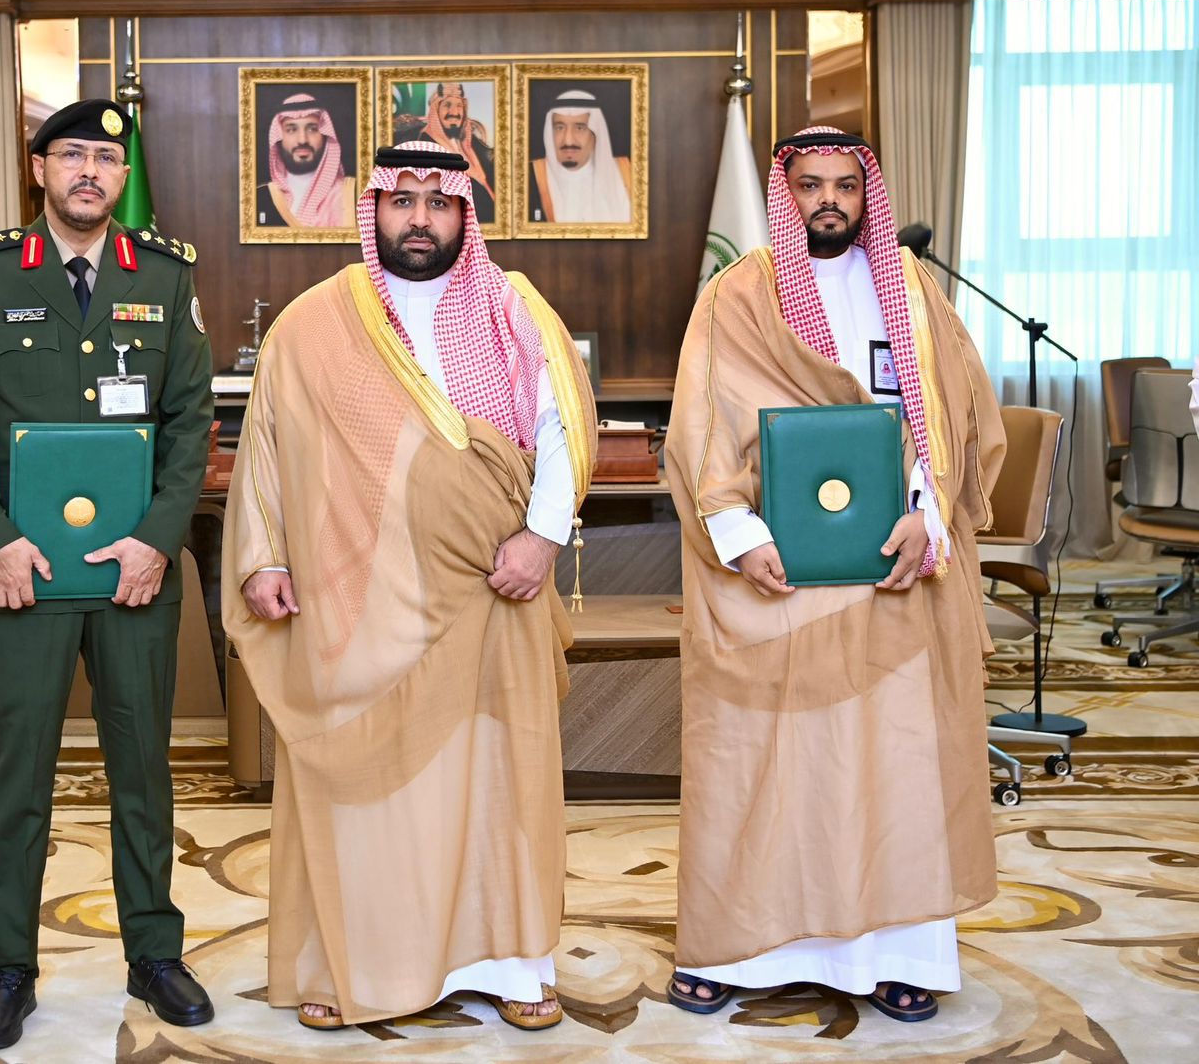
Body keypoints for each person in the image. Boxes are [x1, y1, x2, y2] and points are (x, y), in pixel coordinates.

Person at [222, 140, 598, 1031]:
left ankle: (512, 965)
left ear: (464, 212)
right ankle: (349, 962)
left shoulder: (512, 307)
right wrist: (264, 557)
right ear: (375, 209)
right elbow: (266, 445)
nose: (420, 218)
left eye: (439, 201)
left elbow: (562, 429)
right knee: (365, 782)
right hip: (361, 602)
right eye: (403, 200)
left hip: (497, 589)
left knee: (500, 778)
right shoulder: (313, 323)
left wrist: (543, 539)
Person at [662, 125, 1005, 1025]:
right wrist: (738, 532)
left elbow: (955, 417)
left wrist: (927, 512)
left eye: (845, 185)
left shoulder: (916, 295)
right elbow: (702, 420)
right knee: (765, 763)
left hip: (894, 560)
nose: (828, 201)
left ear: (866, 193)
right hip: (777, 566)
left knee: (897, 765)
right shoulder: (739, 295)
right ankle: (743, 948)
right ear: (787, 193)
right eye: (810, 185)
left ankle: (898, 954)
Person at [0, 98, 216, 1050]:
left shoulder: (164, 275)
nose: (91, 171)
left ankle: (154, 954)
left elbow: (189, 423)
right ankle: (11, 963)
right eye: (72, 155)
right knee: (19, 772)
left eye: (106, 158)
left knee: (143, 768)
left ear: (122, 177)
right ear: (40, 168)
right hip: (27, 574)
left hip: (134, 575)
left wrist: (158, 539)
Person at [394, 80, 498, 224]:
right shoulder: (425, 147)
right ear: (436, 110)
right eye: (447, 105)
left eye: (459, 106)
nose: (454, 112)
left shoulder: (472, 142)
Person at [528, 89, 632, 224]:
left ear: (595, 134)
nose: (568, 140)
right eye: (559, 128)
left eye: (580, 128)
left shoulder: (627, 174)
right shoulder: (529, 177)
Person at [254, 92, 357, 228]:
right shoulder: (259, 198)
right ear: (278, 138)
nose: (302, 140)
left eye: (312, 129)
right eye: (291, 130)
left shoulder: (355, 193)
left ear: (325, 135)